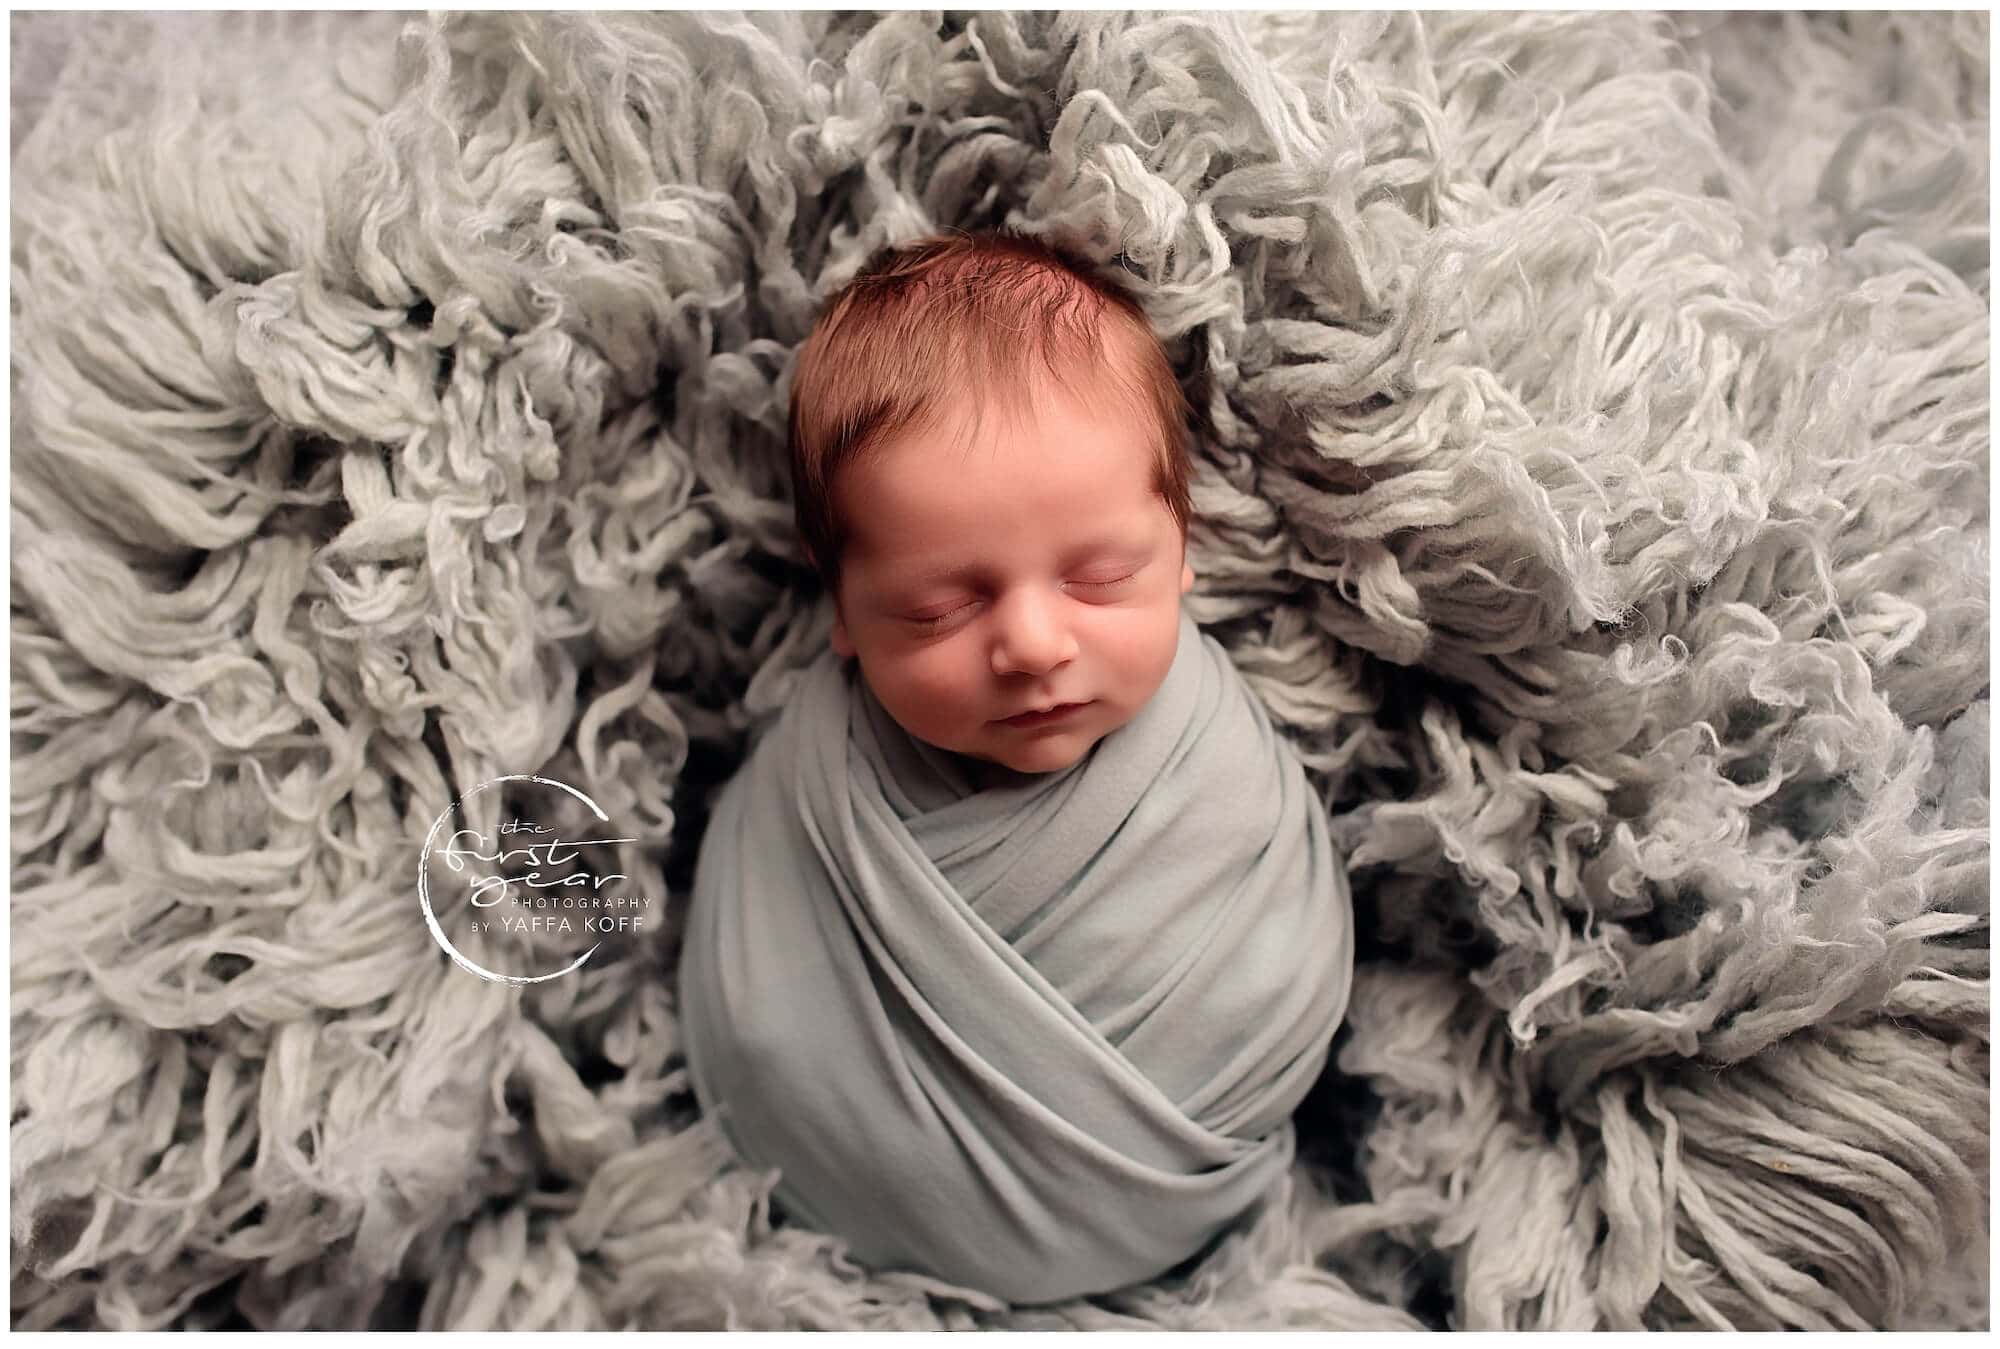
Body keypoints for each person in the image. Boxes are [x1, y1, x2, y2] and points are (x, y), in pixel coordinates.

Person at [677, 229, 1354, 1305]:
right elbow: (755, 1005)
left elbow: (1286, 980)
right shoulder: (811, 790)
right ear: (841, 610)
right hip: (812, 1244)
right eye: (940, 606)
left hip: (1180, 1212)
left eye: (1099, 577)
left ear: (1181, 550)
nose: (1033, 644)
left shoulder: (1230, 789)